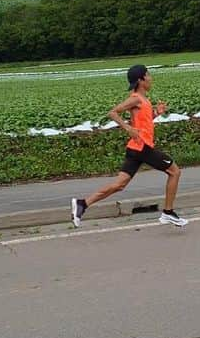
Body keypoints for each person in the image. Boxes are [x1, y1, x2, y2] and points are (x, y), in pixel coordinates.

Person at [71, 64, 187, 228]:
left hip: (135, 148)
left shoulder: (144, 100)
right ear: (141, 80)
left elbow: (144, 123)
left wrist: (156, 113)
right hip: (143, 147)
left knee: (120, 184)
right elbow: (113, 112)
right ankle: (168, 213)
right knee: (174, 171)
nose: (150, 78)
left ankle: (83, 204)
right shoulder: (136, 98)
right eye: (148, 75)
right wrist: (128, 128)